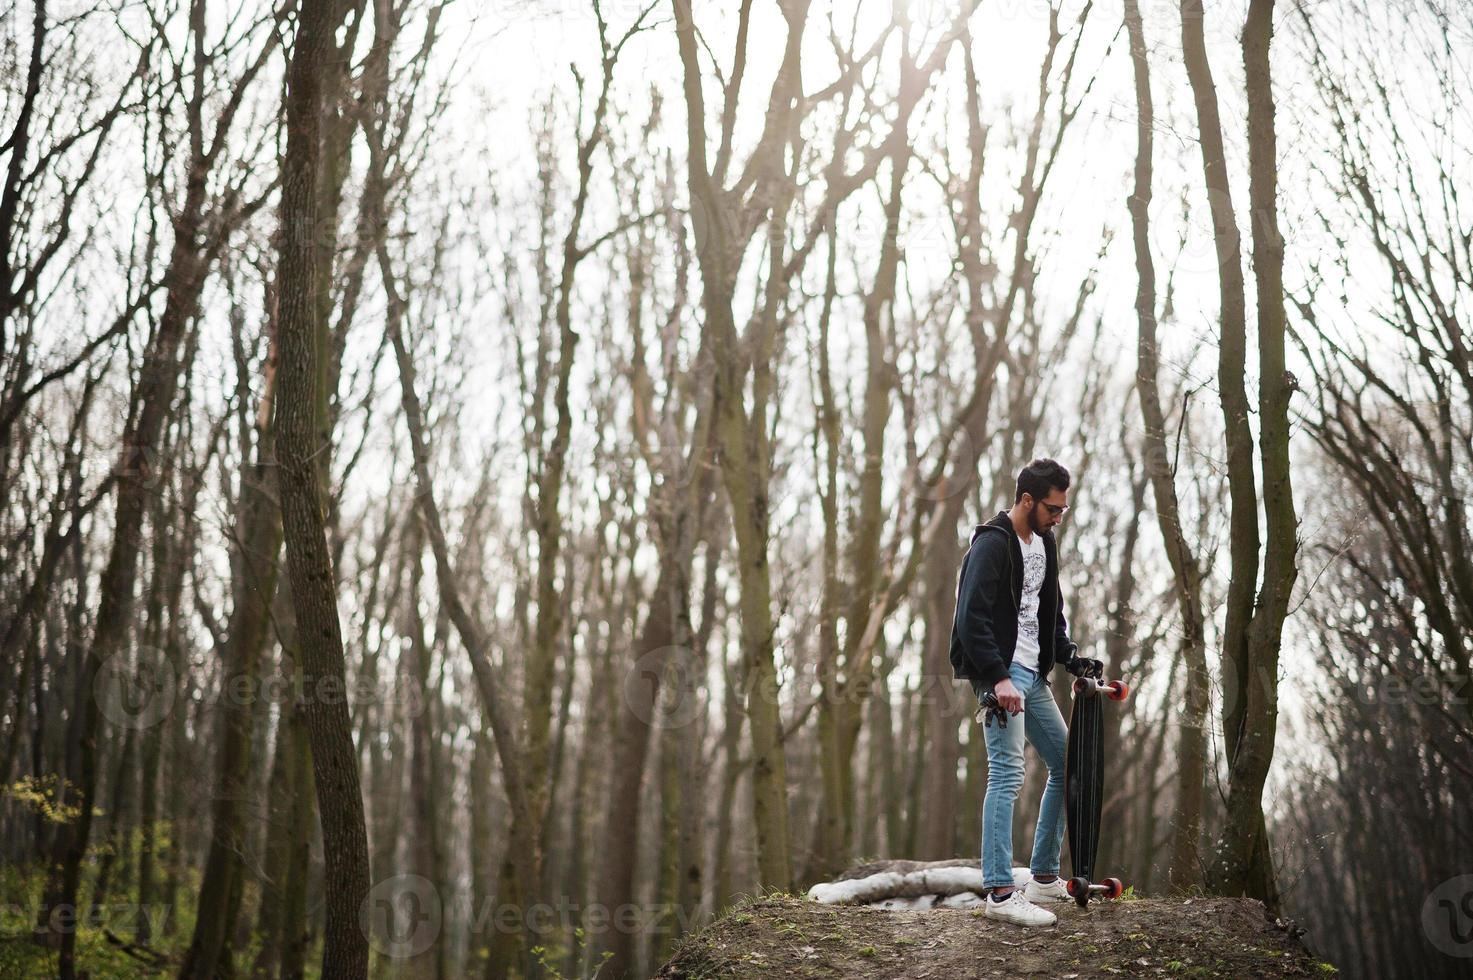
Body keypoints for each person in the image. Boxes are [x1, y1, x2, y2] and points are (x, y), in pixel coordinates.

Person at [949, 458, 1101, 927]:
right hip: (1000, 670)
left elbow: (1047, 611)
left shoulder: (1045, 544)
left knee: (1066, 761)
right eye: (1053, 509)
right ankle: (998, 890)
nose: (1058, 517)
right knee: (1008, 772)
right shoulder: (992, 546)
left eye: (1064, 509)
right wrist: (997, 678)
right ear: (1027, 500)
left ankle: (1042, 876)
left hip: (1032, 671)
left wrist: (1069, 656)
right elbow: (970, 620)